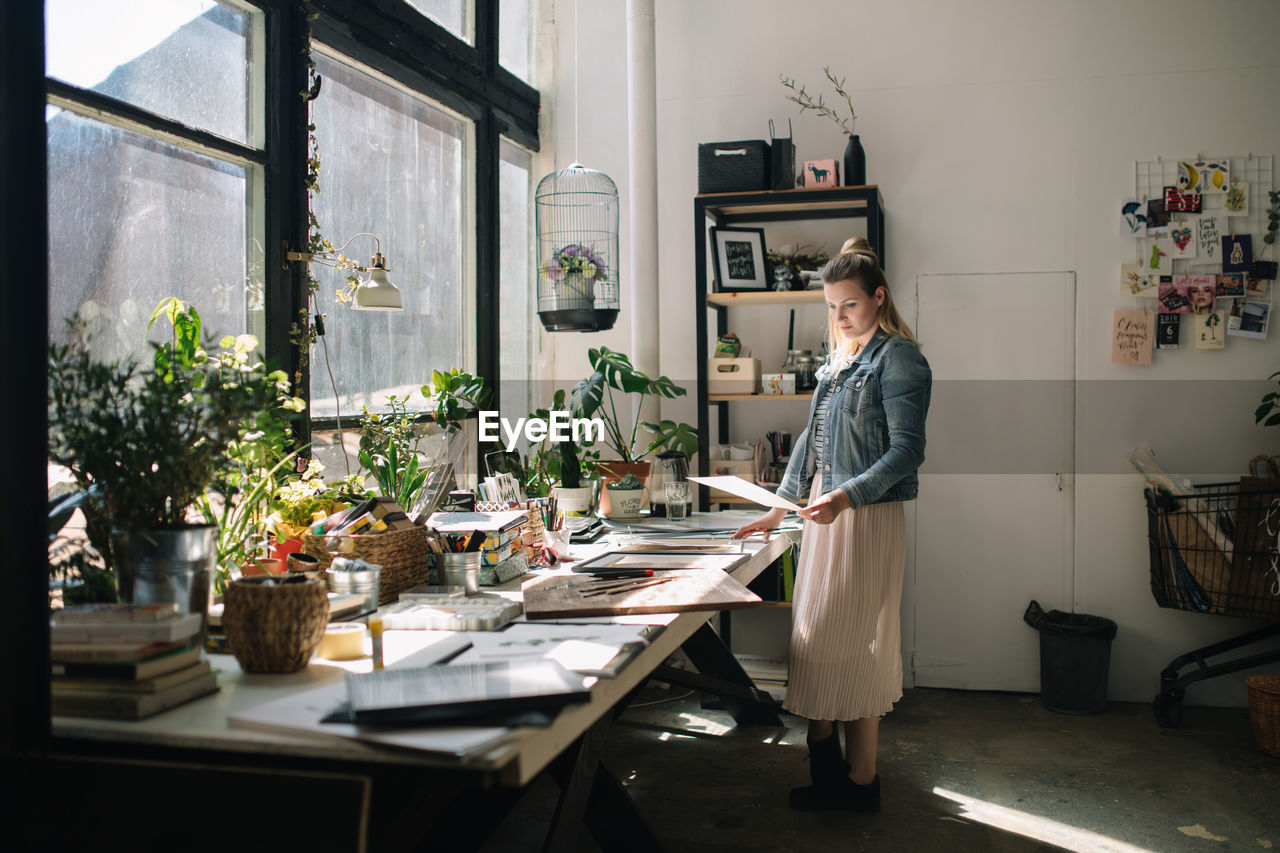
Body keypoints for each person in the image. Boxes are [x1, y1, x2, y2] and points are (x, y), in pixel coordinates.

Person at [734, 236, 932, 813]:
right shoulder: (841, 362)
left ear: (878, 297)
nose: (839, 316)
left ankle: (860, 783)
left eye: (849, 304)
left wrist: (846, 496)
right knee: (818, 637)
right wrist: (778, 504)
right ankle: (825, 758)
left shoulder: (900, 359)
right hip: (826, 509)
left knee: (855, 645)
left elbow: (907, 452)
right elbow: (809, 444)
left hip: (863, 515)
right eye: (830, 306)